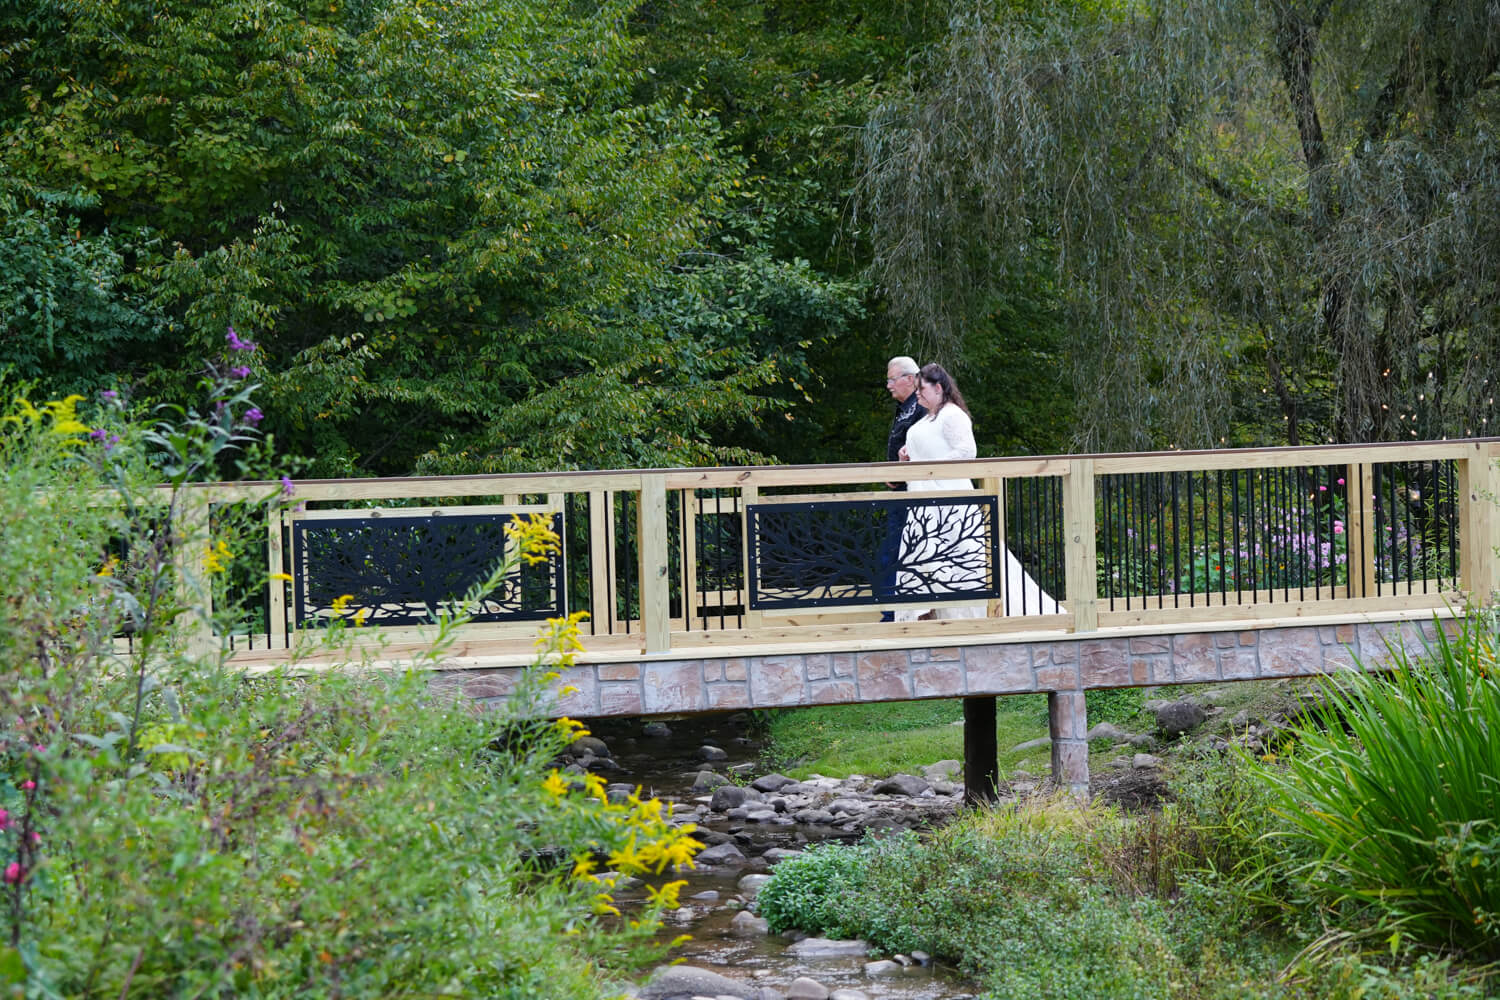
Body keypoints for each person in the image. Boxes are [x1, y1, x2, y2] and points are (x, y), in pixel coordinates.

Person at [894, 363, 1060, 620]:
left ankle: (979, 617)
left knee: (963, 561)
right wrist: (908, 454)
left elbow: (966, 452)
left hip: (949, 499)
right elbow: (929, 446)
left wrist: (930, 469)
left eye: (922, 389)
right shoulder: (928, 418)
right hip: (923, 502)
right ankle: (931, 619)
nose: (917, 394)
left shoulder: (952, 415)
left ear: (938, 388)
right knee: (925, 561)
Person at [877, 357, 926, 620]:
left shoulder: (921, 407)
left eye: (892, 379)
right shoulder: (905, 407)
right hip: (900, 492)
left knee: (895, 553)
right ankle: (893, 612)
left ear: (910, 378)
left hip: (913, 494)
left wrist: (900, 469)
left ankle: (893, 615)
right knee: (891, 553)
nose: (888, 385)